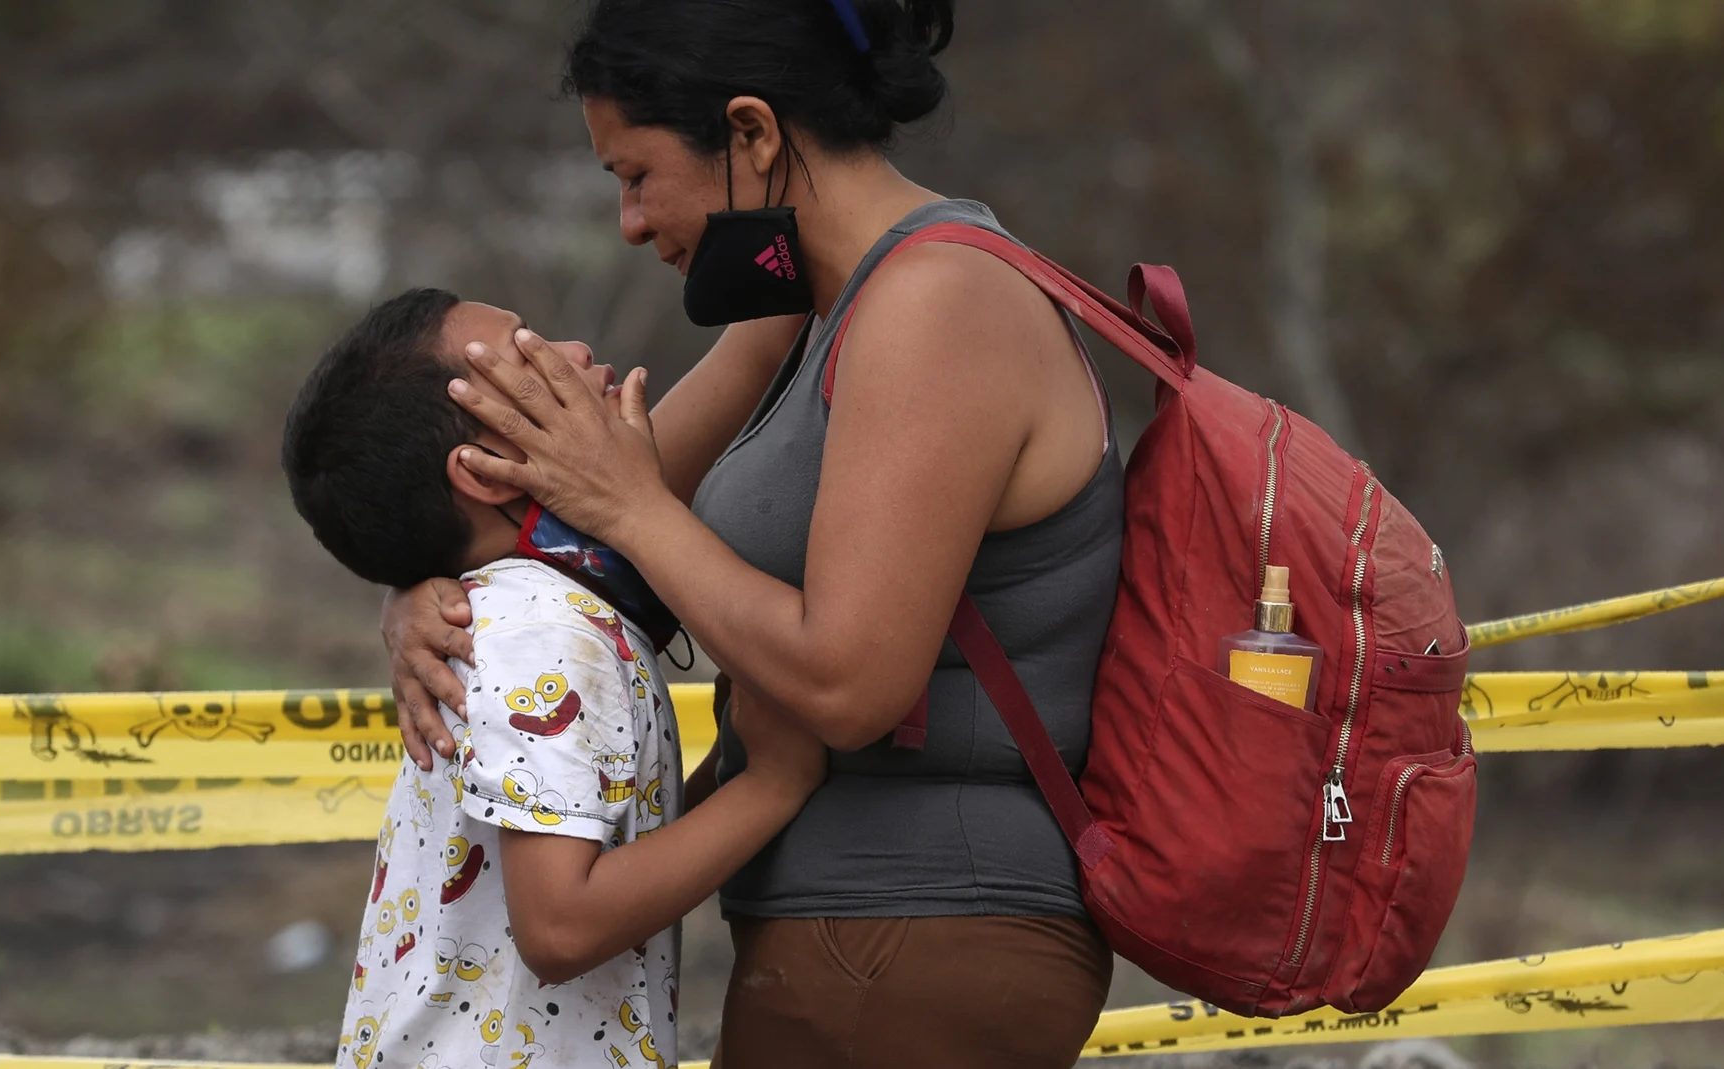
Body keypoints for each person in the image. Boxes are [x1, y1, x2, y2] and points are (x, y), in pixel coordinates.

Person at [383, 1, 1123, 1065]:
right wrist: (424, 590)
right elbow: (567, 536)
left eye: (634, 175)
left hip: (924, 925)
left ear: (751, 134)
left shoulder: (937, 303)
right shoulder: (811, 308)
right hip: (853, 931)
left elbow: (850, 682)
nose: (630, 223)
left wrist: (631, 504)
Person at [282, 287, 826, 1069]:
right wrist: (772, 785)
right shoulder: (536, 634)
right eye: (529, 353)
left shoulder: (538, 610)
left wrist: (729, 774)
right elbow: (564, 924)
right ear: (485, 471)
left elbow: (601, 856)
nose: (571, 356)